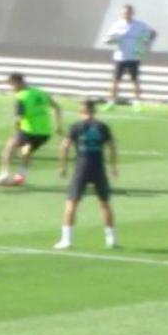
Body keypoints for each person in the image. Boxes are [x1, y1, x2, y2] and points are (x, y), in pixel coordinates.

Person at [55, 100, 118, 250]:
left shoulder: (76, 126)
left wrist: (62, 166)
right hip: (98, 167)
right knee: (104, 203)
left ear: (81, 111)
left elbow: (65, 146)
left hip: (81, 167)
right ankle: (111, 239)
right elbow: (112, 146)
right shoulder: (102, 127)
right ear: (94, 111)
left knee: (71, 203)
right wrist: (113, 166)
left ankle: (66, 239)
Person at [0, 73, 64, 186]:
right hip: (45, 132)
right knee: (26, 150)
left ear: (17, 83)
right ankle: (20, 176)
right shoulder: (40, 92)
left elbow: (18, 118)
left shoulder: (21, 97)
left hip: (29, 130)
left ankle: (4, 175)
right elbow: (57, 107)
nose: (12, 89)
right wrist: (58, 126)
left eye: (12, 85)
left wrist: (15, 132)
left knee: (10, 146)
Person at [102, 4, 156, 111]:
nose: (125, 14)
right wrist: (111, 40)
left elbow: (152, 33)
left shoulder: (140, 25)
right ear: (121, 13)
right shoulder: (116, 25)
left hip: (133, 57)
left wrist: (146, 45)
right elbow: (107, 39)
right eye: (124, 12)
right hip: (120, 58)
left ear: (132, 13)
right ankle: (111, 102)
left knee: (135, 81)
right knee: (115, 81)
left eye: (128, 12)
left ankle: (137, 103)